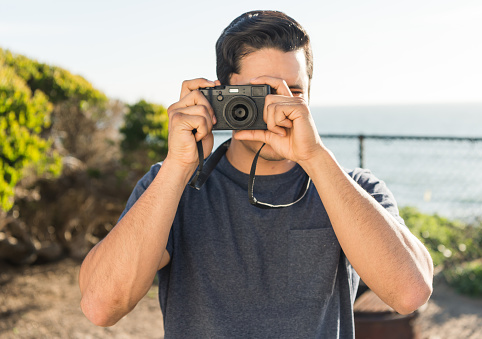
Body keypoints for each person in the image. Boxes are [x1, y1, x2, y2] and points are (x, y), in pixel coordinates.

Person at [79, 10, 433, 338]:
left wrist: (314, 157)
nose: (280, 108)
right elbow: (101, 306)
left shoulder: (354, 189)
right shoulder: (173, 186)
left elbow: (410, 293)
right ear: (222, 96)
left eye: (294, 93)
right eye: (262, 94)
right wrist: (178, 166)